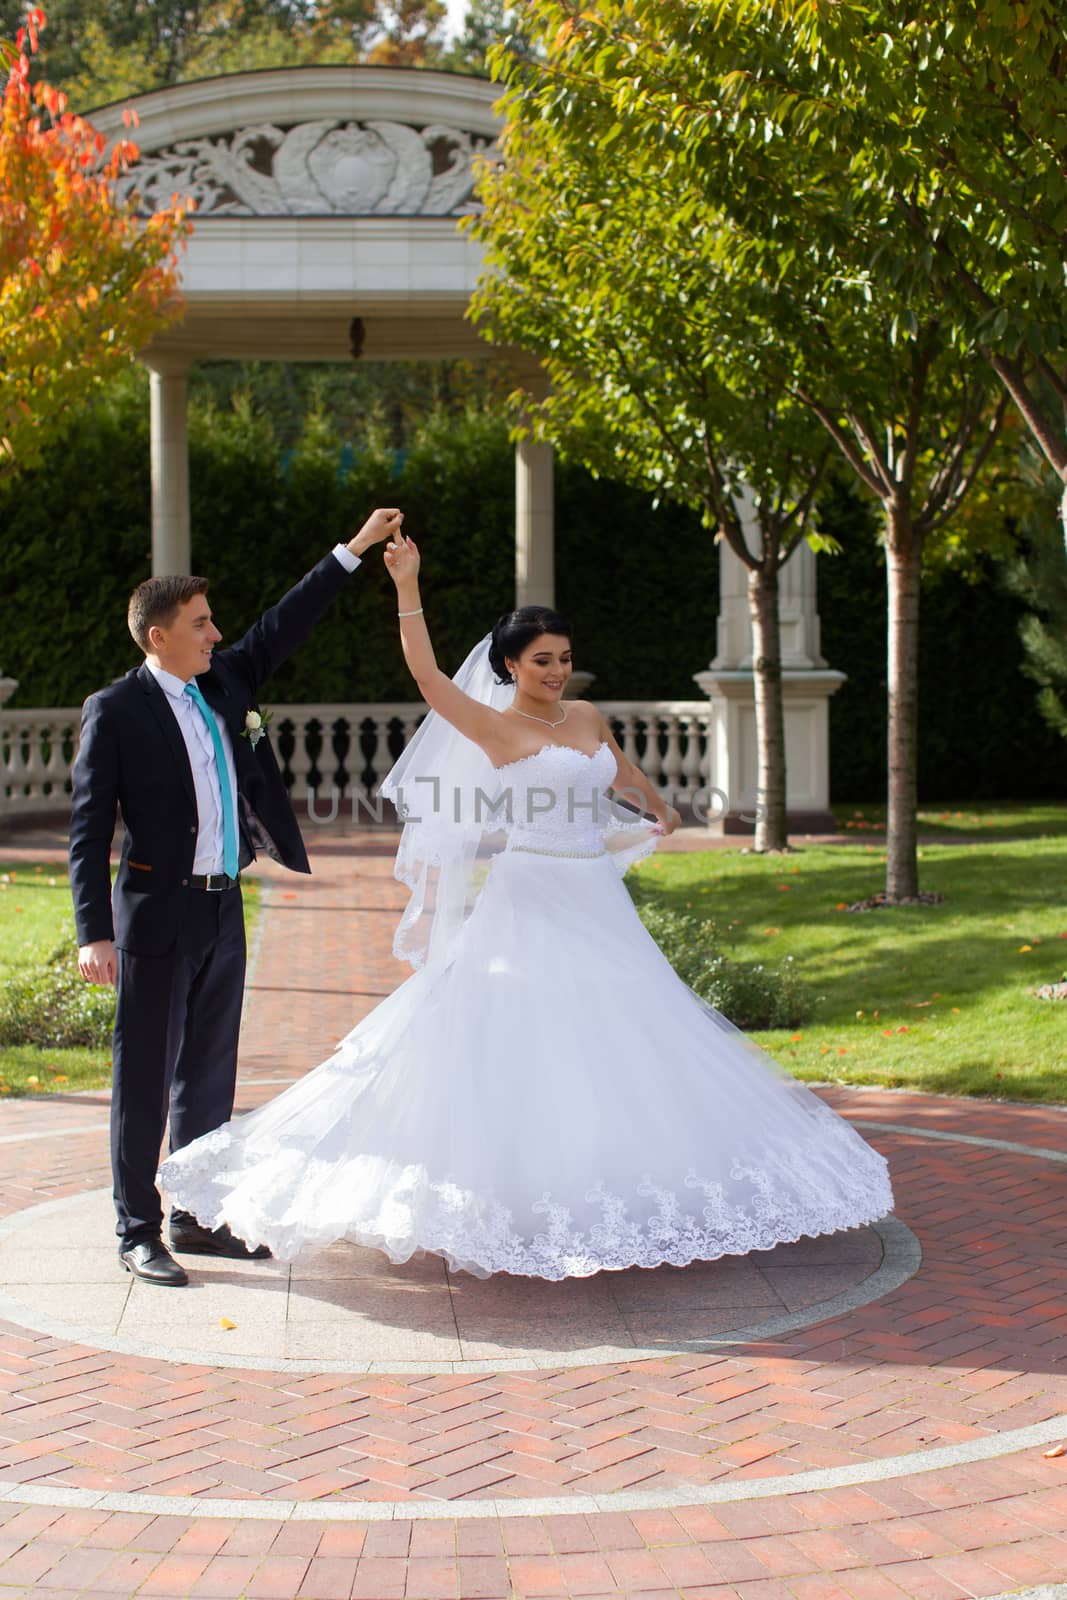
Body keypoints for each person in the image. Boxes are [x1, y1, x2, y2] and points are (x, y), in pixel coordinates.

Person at [158, 524, 894, 1279]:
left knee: (625, 1029)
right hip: (530, 891)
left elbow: (617, 770)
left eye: (564, 659)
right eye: (541, 660)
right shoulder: (495, 726)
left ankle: (620, 1185)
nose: (555, 670)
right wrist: (407, 583)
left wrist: (657, 806)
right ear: (509, 665)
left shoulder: (583, 718)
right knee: (522, 1032)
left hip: (594, 896)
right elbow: (425, 677)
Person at [69, 508, 403, 1287]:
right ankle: (136, 1228)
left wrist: (351, 550)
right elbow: (87, 831)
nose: (216, 634)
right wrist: (94, 932)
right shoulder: (114, 711)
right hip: (155, 915)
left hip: (224, 908)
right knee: (144, 1075)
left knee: (210, 1074)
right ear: (159, 636)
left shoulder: (224, 686)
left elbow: (286, 622)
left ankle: (195, 1213)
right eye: (200, 623)